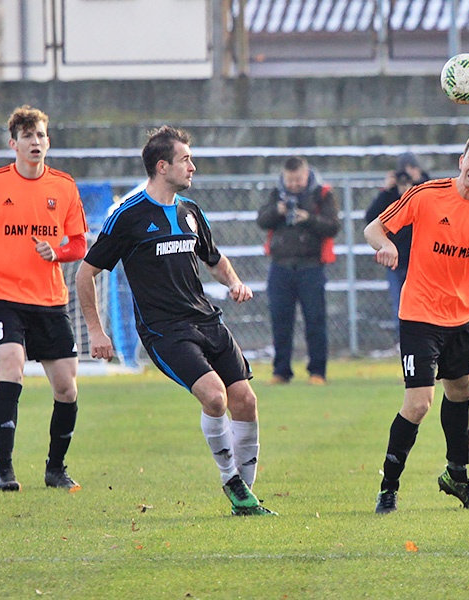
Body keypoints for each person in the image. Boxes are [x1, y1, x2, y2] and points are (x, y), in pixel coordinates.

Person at [75, 126, 276, 516]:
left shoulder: (190, 211)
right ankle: (231, 482)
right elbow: (86, 273)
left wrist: (234, 283)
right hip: (164, 330)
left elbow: (214, 260)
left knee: (246, 401)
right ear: (162, 165)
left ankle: (244, 497)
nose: (193, 167)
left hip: (206, 320)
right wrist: (97, 331)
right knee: (215, 397)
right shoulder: (127, 215)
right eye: (186, 160)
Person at [364, 129, 469, 514]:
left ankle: (456, 476)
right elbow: (374, 228)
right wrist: (385, 246)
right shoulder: (428, 195)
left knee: (461, 392)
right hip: (419, 314)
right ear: (461, 160)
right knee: (418, 403)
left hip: (462, 318)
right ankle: (388, 487)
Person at [0, 105, 88, 493]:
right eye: (28, 136)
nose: (36, 142)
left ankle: (55, 469)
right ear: (14, 144)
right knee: (11, 366)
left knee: (66, 388)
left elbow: (78, 243)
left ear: (48, 141)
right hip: (2, 293)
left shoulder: (64, 186)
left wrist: (56, 253)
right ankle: (4, 471)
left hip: (49, 298)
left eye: (41, 135)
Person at [256, 156, 340, 385]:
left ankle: (317, 372)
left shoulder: (322, 194)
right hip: (280, 266)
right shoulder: (276, 194)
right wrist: (278, 211)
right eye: (290, 180)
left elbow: (333, 226)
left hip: (311, 266)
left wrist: (308, 219)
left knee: (315, 320)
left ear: (306, 175)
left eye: (298, 180)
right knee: (280, 321)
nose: (294, 184)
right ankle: (281, 371)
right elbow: (262, 220)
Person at [364, 170, 423, 341]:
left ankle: (421, 340)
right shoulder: (390, 198)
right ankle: (403, 341)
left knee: (420, 304)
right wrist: (386, 191)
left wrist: (416, 187)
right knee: (399, 304)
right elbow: (370, 217)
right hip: (395, 261)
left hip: (418, 261)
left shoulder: (423, 195)